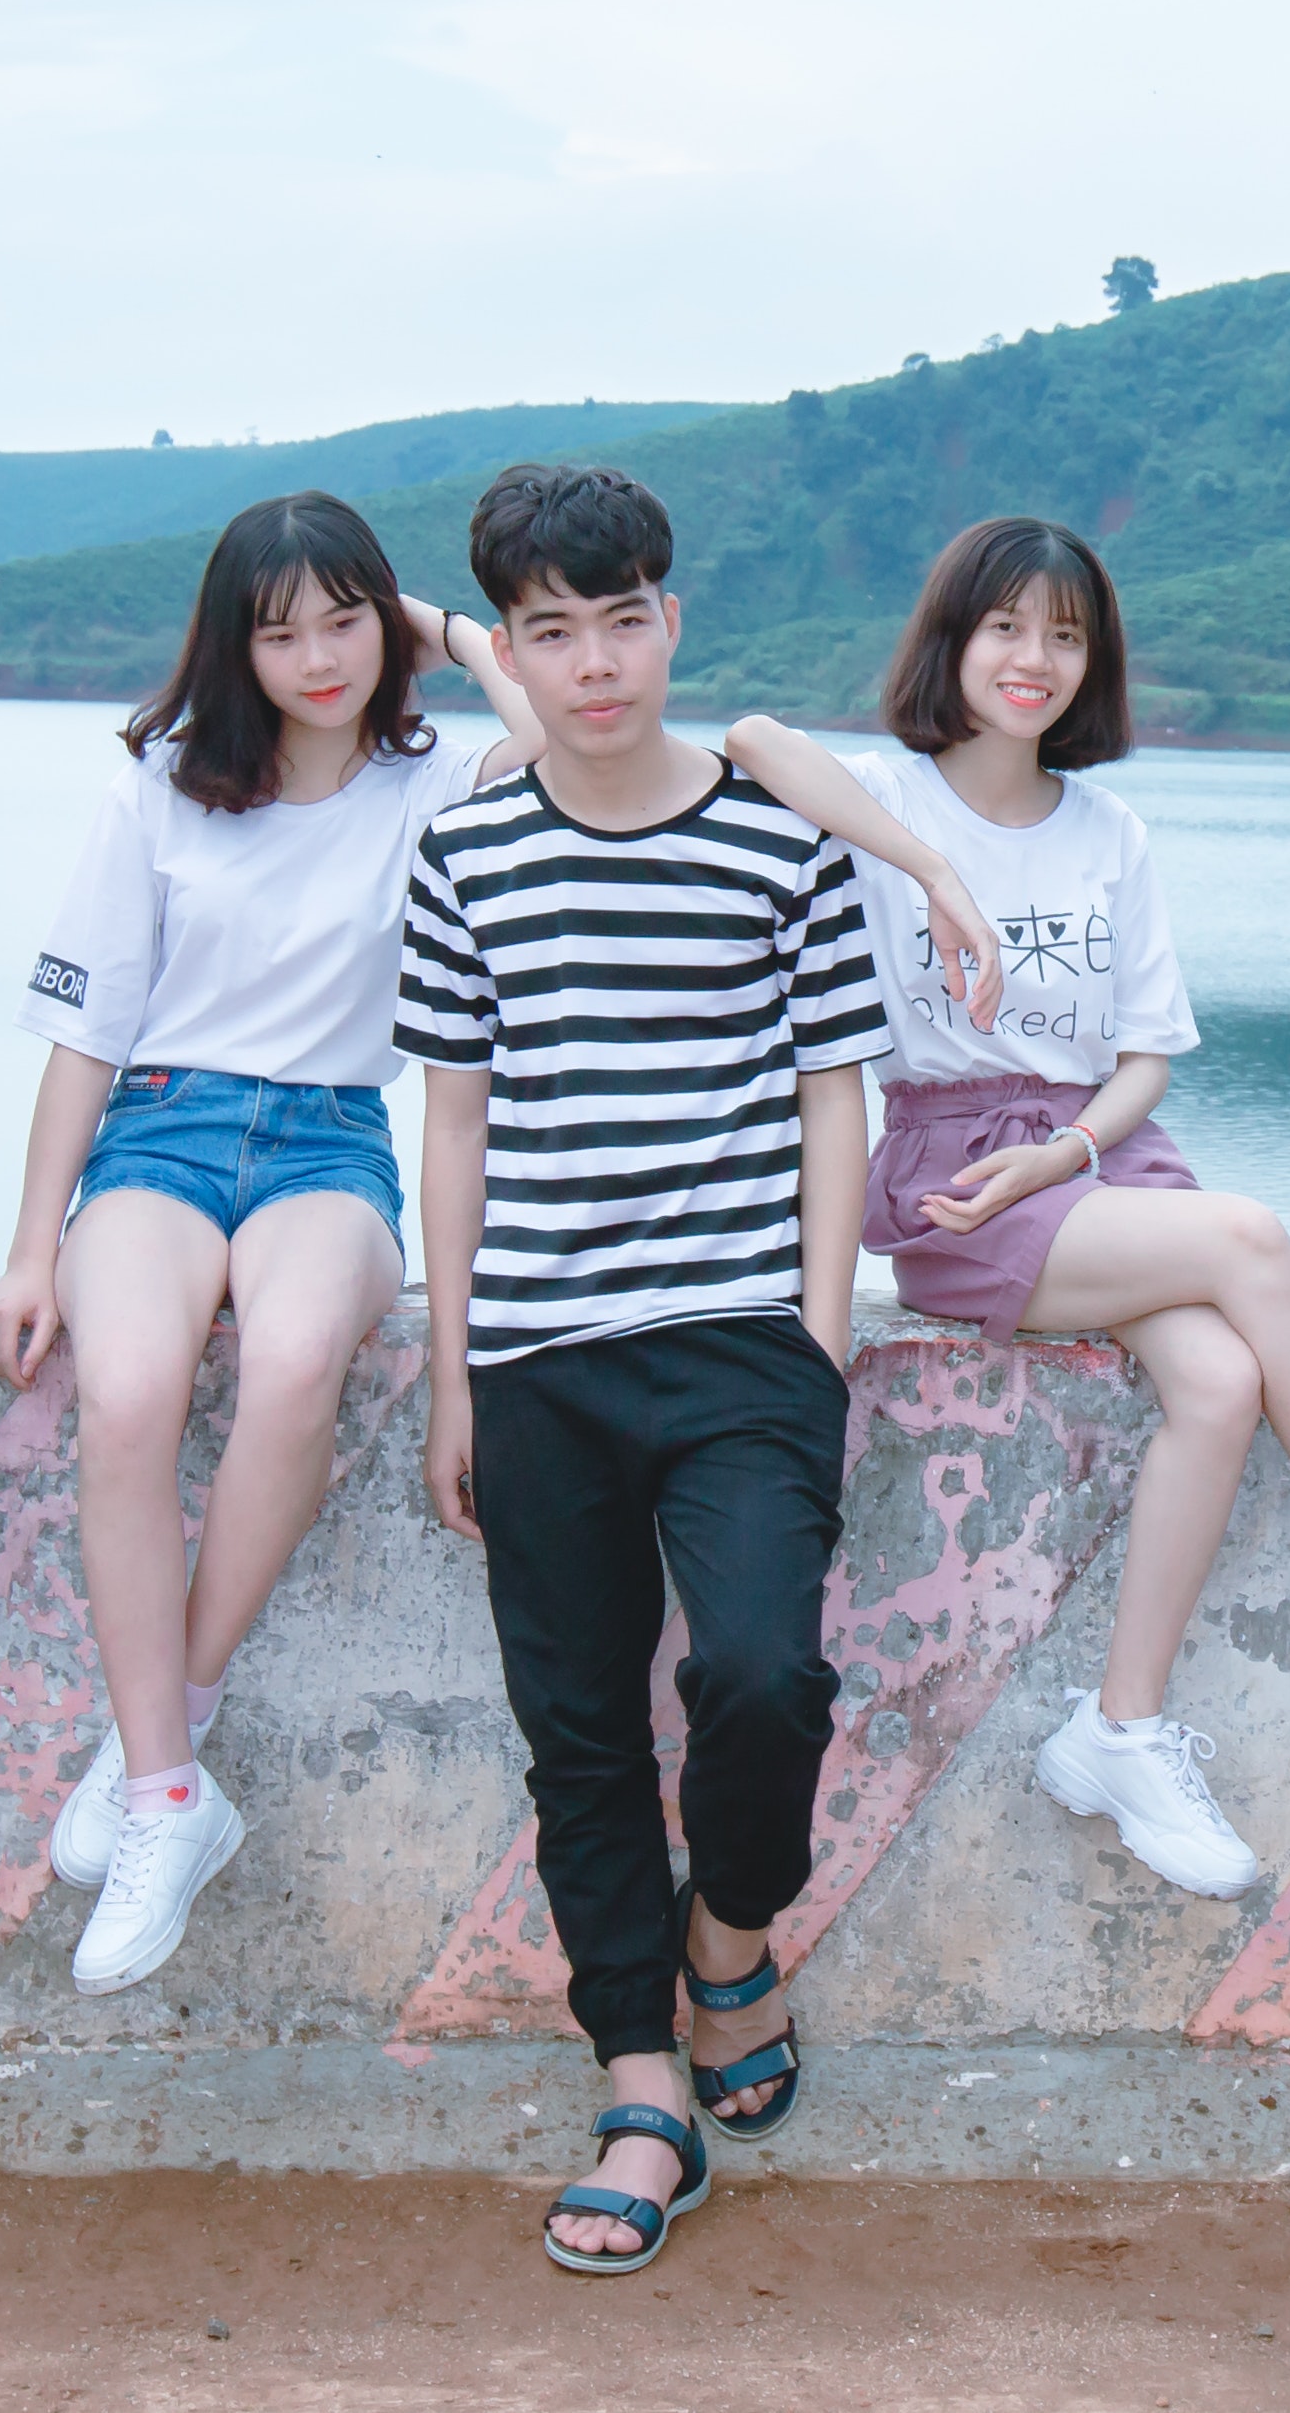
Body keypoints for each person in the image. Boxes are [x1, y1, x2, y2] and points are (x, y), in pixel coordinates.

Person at [0, 492, 995, 1997]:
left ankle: (157, 1742)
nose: (317, 658)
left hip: (329, 1139)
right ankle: (165, 1781)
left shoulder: (441, 779)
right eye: (280, 631)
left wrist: (447, 623)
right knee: (124, 1395)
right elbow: (82, 1036)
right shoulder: (163, 790)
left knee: (301, 1359)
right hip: (160, 1129)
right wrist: (24, 1246)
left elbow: (586, 700)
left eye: (344, 620)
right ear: (227, 648)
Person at [721, 515, 1290, 1900]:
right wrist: (931, 874)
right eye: (1005, 627)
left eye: (1064, 634)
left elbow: (1144, 1055)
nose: (1033, 659)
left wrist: (1073, 1151)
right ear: (952, 636)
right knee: (1251, 1237)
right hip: (960, 1173)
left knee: (1222, 1383)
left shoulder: (1108, 829)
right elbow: (753, 735)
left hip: (1094, 1160)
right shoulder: (888, 802)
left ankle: (1118, 1729)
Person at [395, 464, 894, 2274]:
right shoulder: (465, 850)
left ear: (669, 619)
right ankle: (641, 2091)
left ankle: (729, 1935)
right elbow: (454, 1122)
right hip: (536, 1351)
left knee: (762, 1676)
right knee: (583, 1732)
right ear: (511, 648)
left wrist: (816, 1339)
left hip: (740, 1342)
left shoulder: (781, 843)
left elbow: (834, 1096)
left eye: (623, 621)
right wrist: (454, 1370)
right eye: (550, 630)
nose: (594, 662)